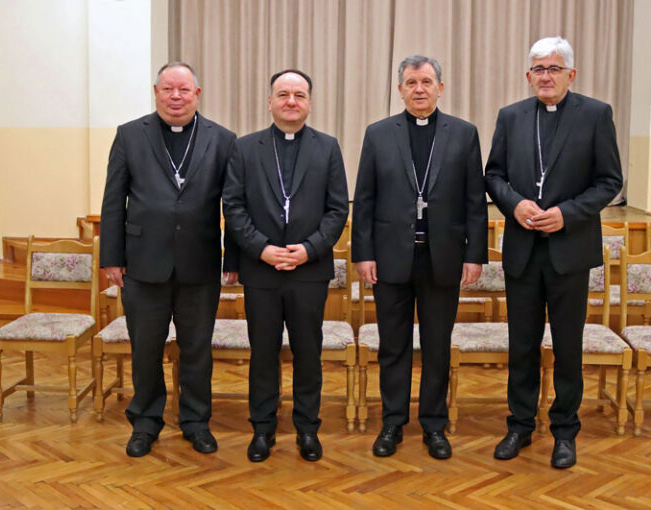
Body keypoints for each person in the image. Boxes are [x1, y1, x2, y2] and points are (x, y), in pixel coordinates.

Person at [485, 37, 623, 469]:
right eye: (538, 69)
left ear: (571, 74)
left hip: (570, 249)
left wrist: (567, 213)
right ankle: (520, 425)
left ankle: (565, 431)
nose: (545, 76)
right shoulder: (511, 117)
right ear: (529, 76)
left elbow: (609, 181)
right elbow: (494, 175)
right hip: (523, 249)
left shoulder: (596, 115)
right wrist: (515, 204)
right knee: (521, 344)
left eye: (554, 68)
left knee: (568, 345)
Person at [352, 55, 488, 460]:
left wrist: (474, 255)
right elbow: (365, 198)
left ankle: (434, 425)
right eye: (411, 82)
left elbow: (474, 202)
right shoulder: (378, 134)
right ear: (400, 89)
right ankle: (393, 422)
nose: (419, 89)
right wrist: (364, 253)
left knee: (436, 346)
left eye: (427, 81)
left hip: (442, 258)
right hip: (391, 259)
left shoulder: (464, 134)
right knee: (393, 346)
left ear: (440, 88)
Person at [100, 62, 238, 457]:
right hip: (143, 263)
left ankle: (196, 422)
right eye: (168, 89)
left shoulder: (222, 139)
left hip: (201, 263)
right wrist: (112, 255)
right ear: (156, 91)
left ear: (198, 94)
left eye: (184, 90)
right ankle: (145, 422)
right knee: (146, 349)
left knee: (197, 349)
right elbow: (113, 200)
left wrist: (234, 258)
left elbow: (235, 205)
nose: (175, 96)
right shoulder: (130, 135)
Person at [223, 69, 348, 463]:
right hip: (261, 270)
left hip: (308, 270)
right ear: (270, 101)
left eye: (299, 94)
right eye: (283, 94)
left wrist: (308, 249)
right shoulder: (245, 148)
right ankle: (262, 429)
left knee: (308, 352)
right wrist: (262, 249)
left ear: (309, 102)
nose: (291, 101)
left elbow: (337, 209)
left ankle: (307, 429)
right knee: (263, 352)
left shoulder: (328, 147)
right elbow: (234, 205)